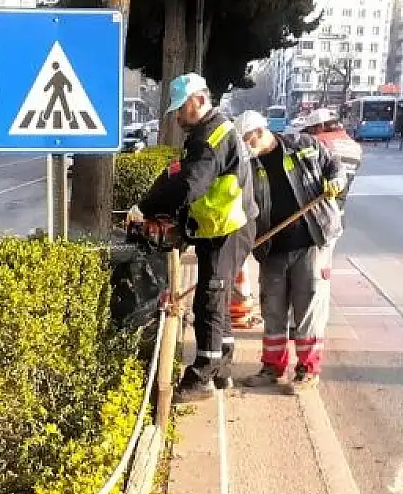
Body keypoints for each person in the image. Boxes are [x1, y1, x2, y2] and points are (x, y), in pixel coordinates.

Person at [128, 72, 258, 403]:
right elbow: (180, 175)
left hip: (227, 228)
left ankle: (201, 376)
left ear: (198, 100)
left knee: (210, 300)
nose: (176, 117)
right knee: (219, 296)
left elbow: (190, 185)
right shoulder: (211, 131)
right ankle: (223, 369)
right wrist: (148, 201)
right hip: (227, 226)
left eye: (180, 109)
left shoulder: (210, 137)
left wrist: (149, 209)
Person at [232, 109, 346, 393]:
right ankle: (272, 367)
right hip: (272, 248)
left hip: (311, 241)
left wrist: (336, 181)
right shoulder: (249, 167)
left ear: (259, 132)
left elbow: (335, 167)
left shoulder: (304, 146)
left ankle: (307, 370)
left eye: (248, 140)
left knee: (308, 308)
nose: (246, 147)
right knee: (273, 309)